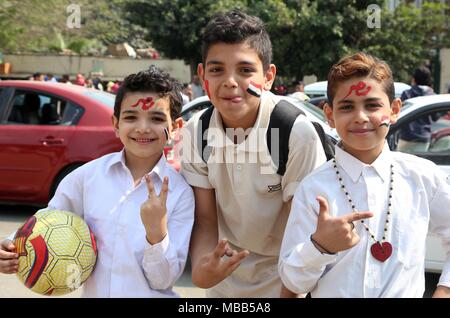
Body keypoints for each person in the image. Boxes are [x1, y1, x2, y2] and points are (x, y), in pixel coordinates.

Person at [0, 66, 195, 298]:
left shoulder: (181, 193)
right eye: (131, 117)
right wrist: (12, 247)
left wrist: (156, 233)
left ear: (176, 127)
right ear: (115, 124)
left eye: (156, 118)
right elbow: (50, 220)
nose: (143, 128)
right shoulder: (88, 177)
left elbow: (163, 280)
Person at [278, 52, 450, 297]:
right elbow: (293, 282)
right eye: (347, 107)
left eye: (372, 105)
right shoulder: (314, 189)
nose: (360, 117)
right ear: (329, 115)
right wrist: (320, 246)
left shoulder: (422, 177)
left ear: (394, 110)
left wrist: (443, 290)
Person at [180, 10, 326, 298]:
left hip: (287, 279)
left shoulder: (294, 131)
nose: (230, 81)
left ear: (268, 76)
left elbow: (304, 229)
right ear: (202, 75)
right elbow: (206, 219)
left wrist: (292, 291)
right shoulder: (196, 131)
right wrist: (202, 268)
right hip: (226, 280)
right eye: (216, 69)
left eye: (245, 70)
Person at [398, 66, 437, 152]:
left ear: (414, 79)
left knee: (401, 163)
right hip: (424, 137)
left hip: (406, 136)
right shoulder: (433, 96)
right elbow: (435, 118)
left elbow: (399, 113)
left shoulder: (407, 94)